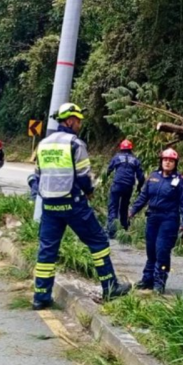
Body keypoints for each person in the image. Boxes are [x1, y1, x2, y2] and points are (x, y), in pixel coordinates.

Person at [31, 103, 131, 310]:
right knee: (98, 241)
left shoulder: (43, 144)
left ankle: (40, 296)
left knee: (47, 251)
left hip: (50, 206)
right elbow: (84, 176)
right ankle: (110, 286)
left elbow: (37, 176)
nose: (79, 124)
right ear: (69, 121)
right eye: (78, 121)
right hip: (73, 204)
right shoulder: (75, 144)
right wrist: (89, 191)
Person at [129, 148, 183, 294]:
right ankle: (147, 280)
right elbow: (143, 197)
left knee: (162, 251)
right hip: (152, 218)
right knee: (151, 250)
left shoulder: (179, 181)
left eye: (171, 161)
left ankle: (159, 283)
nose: (167, 163)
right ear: (161, 161)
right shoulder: (153, 177)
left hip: (169, 219)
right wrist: (132, 211)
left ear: (175, 163)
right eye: (165, 160)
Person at [101, 139, 145, 238]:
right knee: (124, 207)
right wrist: (139, 188)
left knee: (113, 207)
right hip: (128, 187)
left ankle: (111, 232)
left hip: (117, 185)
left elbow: (108, 170)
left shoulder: (117, 157)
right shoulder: (135, 160)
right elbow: (141, 177)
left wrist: (104, 180)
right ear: (131, 149)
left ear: (121, 148)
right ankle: (124, 228)